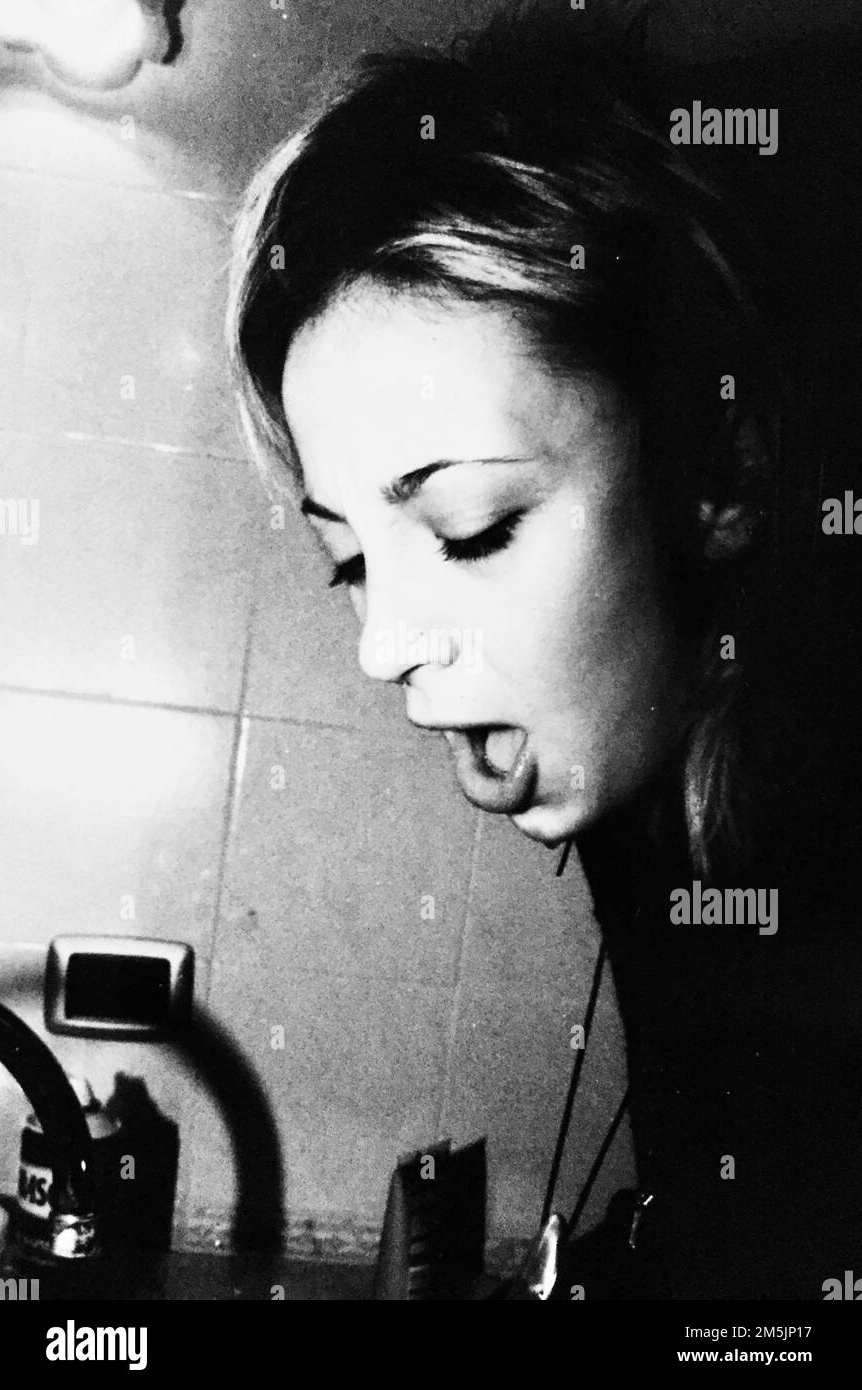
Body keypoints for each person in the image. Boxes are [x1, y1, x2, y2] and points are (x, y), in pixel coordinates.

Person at [226, 4, 862, 1299]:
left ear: (716, 476)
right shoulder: (655, 797)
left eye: (469, 527)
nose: (381, 647)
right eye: (349, 558)